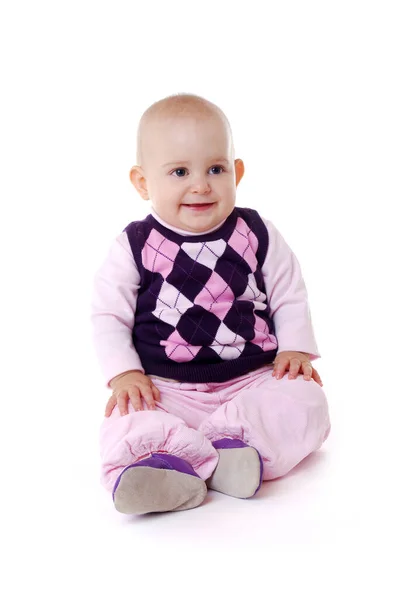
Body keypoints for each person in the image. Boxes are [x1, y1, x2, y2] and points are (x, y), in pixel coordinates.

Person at [91, 93, 331, 515]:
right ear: (143, 182)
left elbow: (289, 293)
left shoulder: (257, 233)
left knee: (307, 400)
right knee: (126, 417)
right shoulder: (134, 245)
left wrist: (294, 349)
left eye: (216, 169)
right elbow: (109, 314)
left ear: (237, 172)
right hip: (167, 388)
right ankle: (158, 466)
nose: (201, 184)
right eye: (179, 171)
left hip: (252, 381)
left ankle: (231, 449)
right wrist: (125, 374)